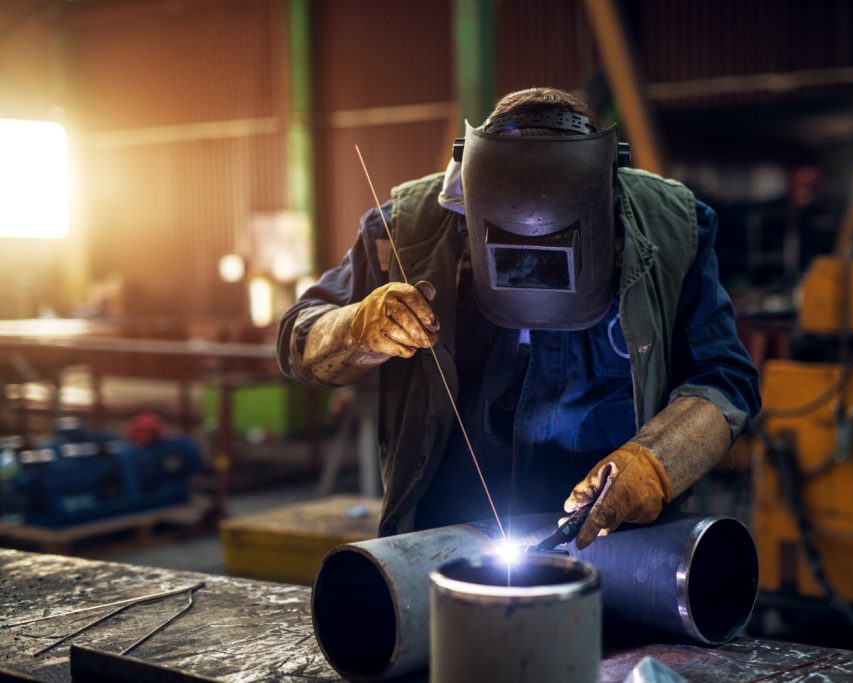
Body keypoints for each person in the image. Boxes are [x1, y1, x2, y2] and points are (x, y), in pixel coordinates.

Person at [278, 87, 760, 548]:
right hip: (447, 540)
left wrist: (655, 463)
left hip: (613, 543)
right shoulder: (406, 228)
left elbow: (726, 381)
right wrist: (355, 329)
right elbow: (298, 342)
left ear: (605, 194)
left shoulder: (674, 226)